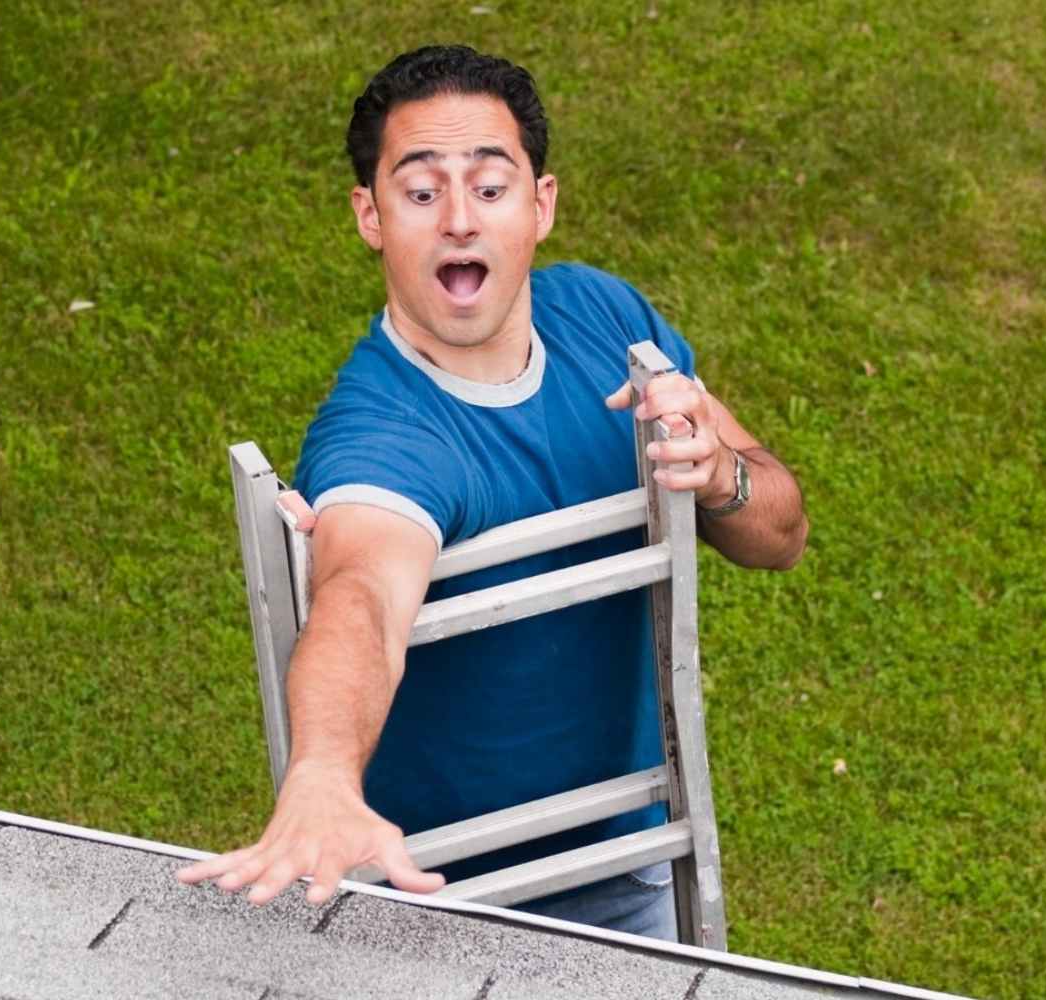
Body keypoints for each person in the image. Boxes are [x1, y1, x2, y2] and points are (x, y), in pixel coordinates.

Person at [178, 44, 808, 939]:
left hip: (630, 866)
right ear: (371, 216)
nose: (460, 222)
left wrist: (721, 474)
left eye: (490, 186)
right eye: (422, 192)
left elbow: (780, 536)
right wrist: (319, 774)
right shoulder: (382, 437)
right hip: (437, 902)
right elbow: (359, 598)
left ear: (541, 205)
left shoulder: (605, 318)